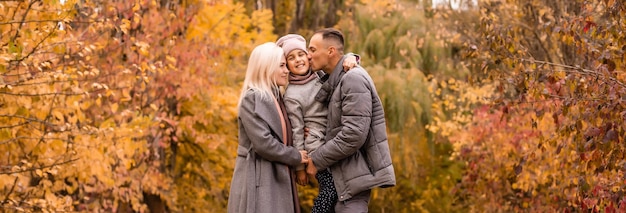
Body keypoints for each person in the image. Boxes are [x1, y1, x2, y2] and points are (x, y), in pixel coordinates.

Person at [305, 28, 396, 212]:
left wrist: (316, 159)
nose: (308, 56)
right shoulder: (337, 80)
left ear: (330, 51)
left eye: (312, 50)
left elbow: (353, 134)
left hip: (353, 182)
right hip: (341, 180)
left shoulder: (353, 79)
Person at [276, 34, 359, 213]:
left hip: (333, 139)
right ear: (287, 65)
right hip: (316, 146)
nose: (298, 60)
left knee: (339, 192)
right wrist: (300, 167)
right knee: (330, 190)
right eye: (291, 58)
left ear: (308, 55)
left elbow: (336, 62)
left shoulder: (319, 75)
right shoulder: (291, 95)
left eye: (301, 54)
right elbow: (297, 131)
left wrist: (353, 57)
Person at [227, 42, 309, 213]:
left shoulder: (277, 96)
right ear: (266, 67)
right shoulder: (252, 98)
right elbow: (264, 143)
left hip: (278, 174)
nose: (287, 70)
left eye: (286, 65)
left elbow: (284, 134)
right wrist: (295, 156)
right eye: (281, 65)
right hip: (259, 176)